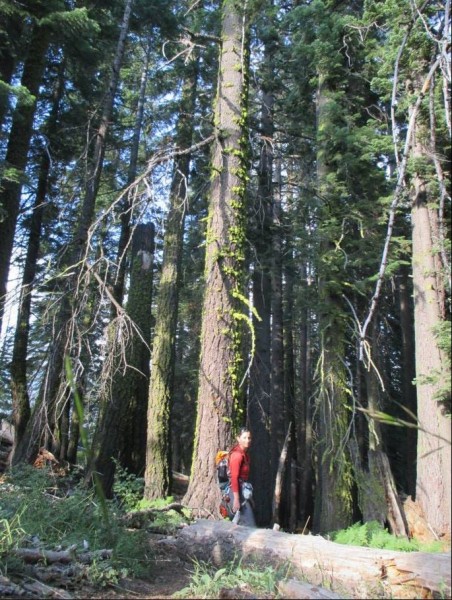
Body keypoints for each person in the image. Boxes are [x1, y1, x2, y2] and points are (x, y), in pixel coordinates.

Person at [228, 427, 256, 527]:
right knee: (248, 524)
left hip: (242, 490)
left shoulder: (245, 454)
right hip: (235, 491)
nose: (247, 440)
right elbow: (234, 478)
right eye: (244, 438)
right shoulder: (237, 455)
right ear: (238, 438)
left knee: (242, 524)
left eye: (249, 438)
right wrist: (236, 499)